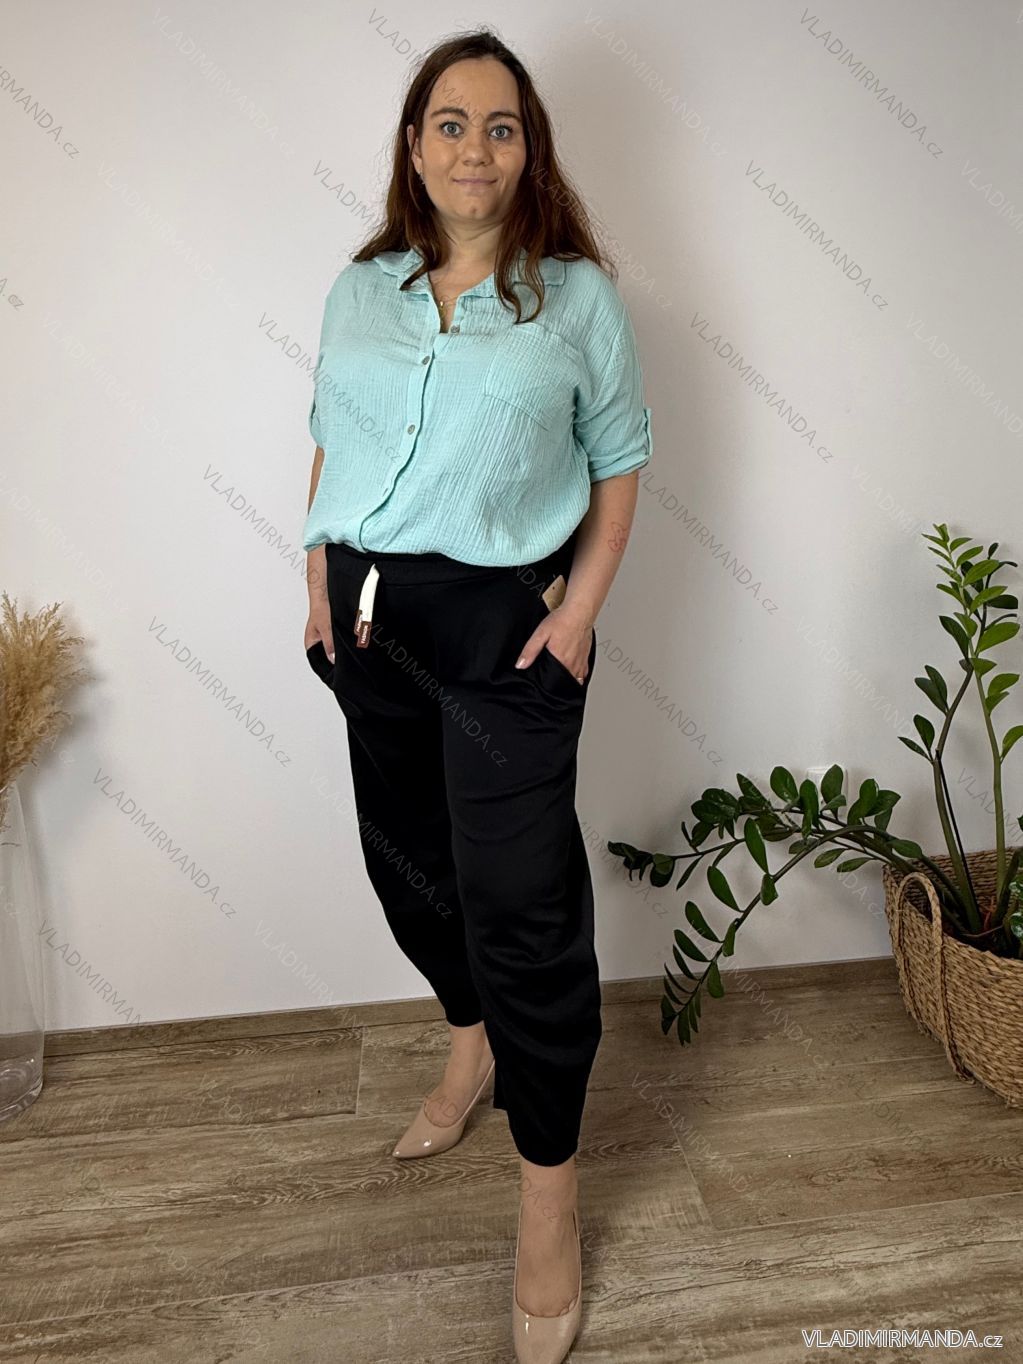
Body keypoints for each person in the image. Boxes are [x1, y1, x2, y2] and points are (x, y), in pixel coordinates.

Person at [302, 29, 652, 1364]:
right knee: (408, 864)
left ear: (529, 149)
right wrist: (317, 569)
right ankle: (469, 1044)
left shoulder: (578, 299)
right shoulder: (362, 290)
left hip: (508, 628)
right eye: (450, 122)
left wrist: (579, 614)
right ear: (414, 143)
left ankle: (548, 1197)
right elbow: (330, 432)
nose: (473, 148)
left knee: (523, 905)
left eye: (501, 126)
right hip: (370, 619)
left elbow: (618, 460)